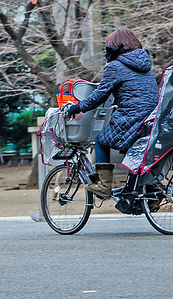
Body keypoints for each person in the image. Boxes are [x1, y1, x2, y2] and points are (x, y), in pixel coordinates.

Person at [64, 28, 158, 200]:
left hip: (132, 117)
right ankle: (147, 192)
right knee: (135, 151)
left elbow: (99, 96)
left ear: (114, 47)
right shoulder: (145, 64)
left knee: (101, 141)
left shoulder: (115, 66)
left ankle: (103, 185)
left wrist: (78, 107)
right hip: (152, 118)